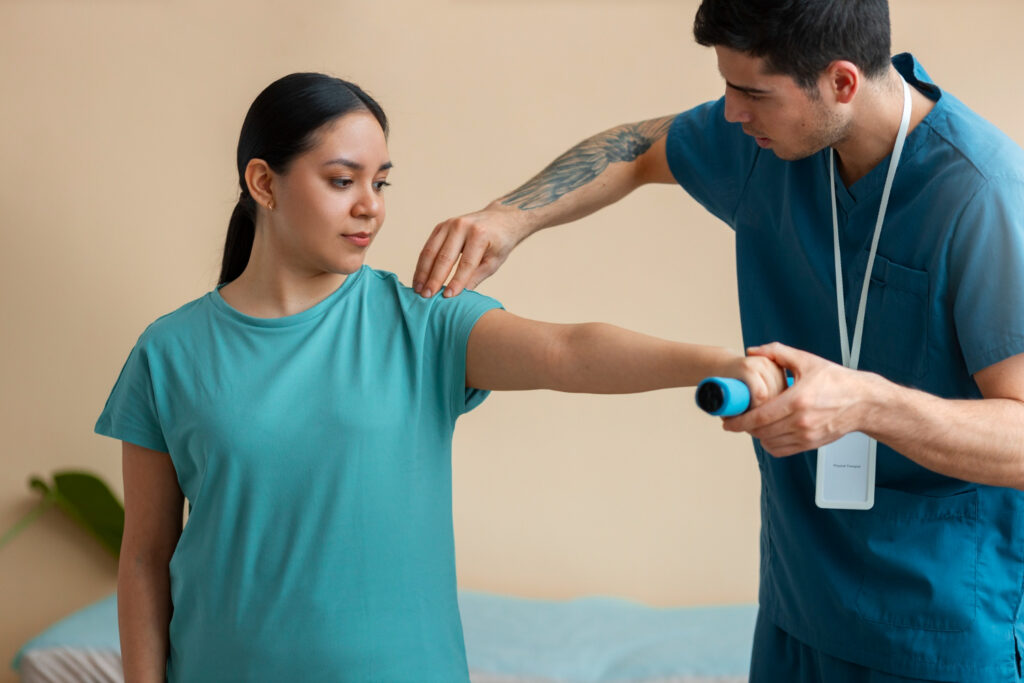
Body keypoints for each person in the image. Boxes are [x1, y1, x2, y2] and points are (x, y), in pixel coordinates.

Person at [95, 72, 785, 683]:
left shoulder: (422, 322)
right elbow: (146, 557)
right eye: (343, 180)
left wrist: (718, 362)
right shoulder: (170, 351)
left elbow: (569, 351)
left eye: (381, 181)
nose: (371, 205)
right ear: (264, 183)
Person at [411, 1, 1024, 681]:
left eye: (752, 93)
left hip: (936, 631)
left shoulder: (984, 196)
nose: (730, 113)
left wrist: (866, 404)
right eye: (727, 87)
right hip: (798, 605)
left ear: (842, 82)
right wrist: (508, 217)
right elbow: (639, 148)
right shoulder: (773, 144)